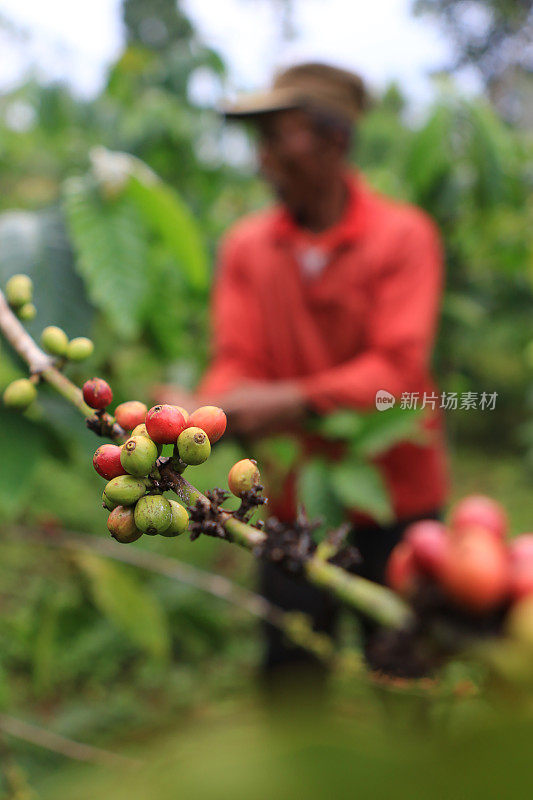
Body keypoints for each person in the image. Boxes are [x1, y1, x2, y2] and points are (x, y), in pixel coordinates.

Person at [155, 62, 450, 680]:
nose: (262, 158)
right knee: (292, 677)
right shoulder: (246, 247)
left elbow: (395, 372)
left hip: (397, 498)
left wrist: (273, 403)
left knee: (409, 672)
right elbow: (238, 357)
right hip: (291, 500)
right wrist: (199, 415)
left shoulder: (404, 237)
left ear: (335, 140)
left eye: (276, 137)